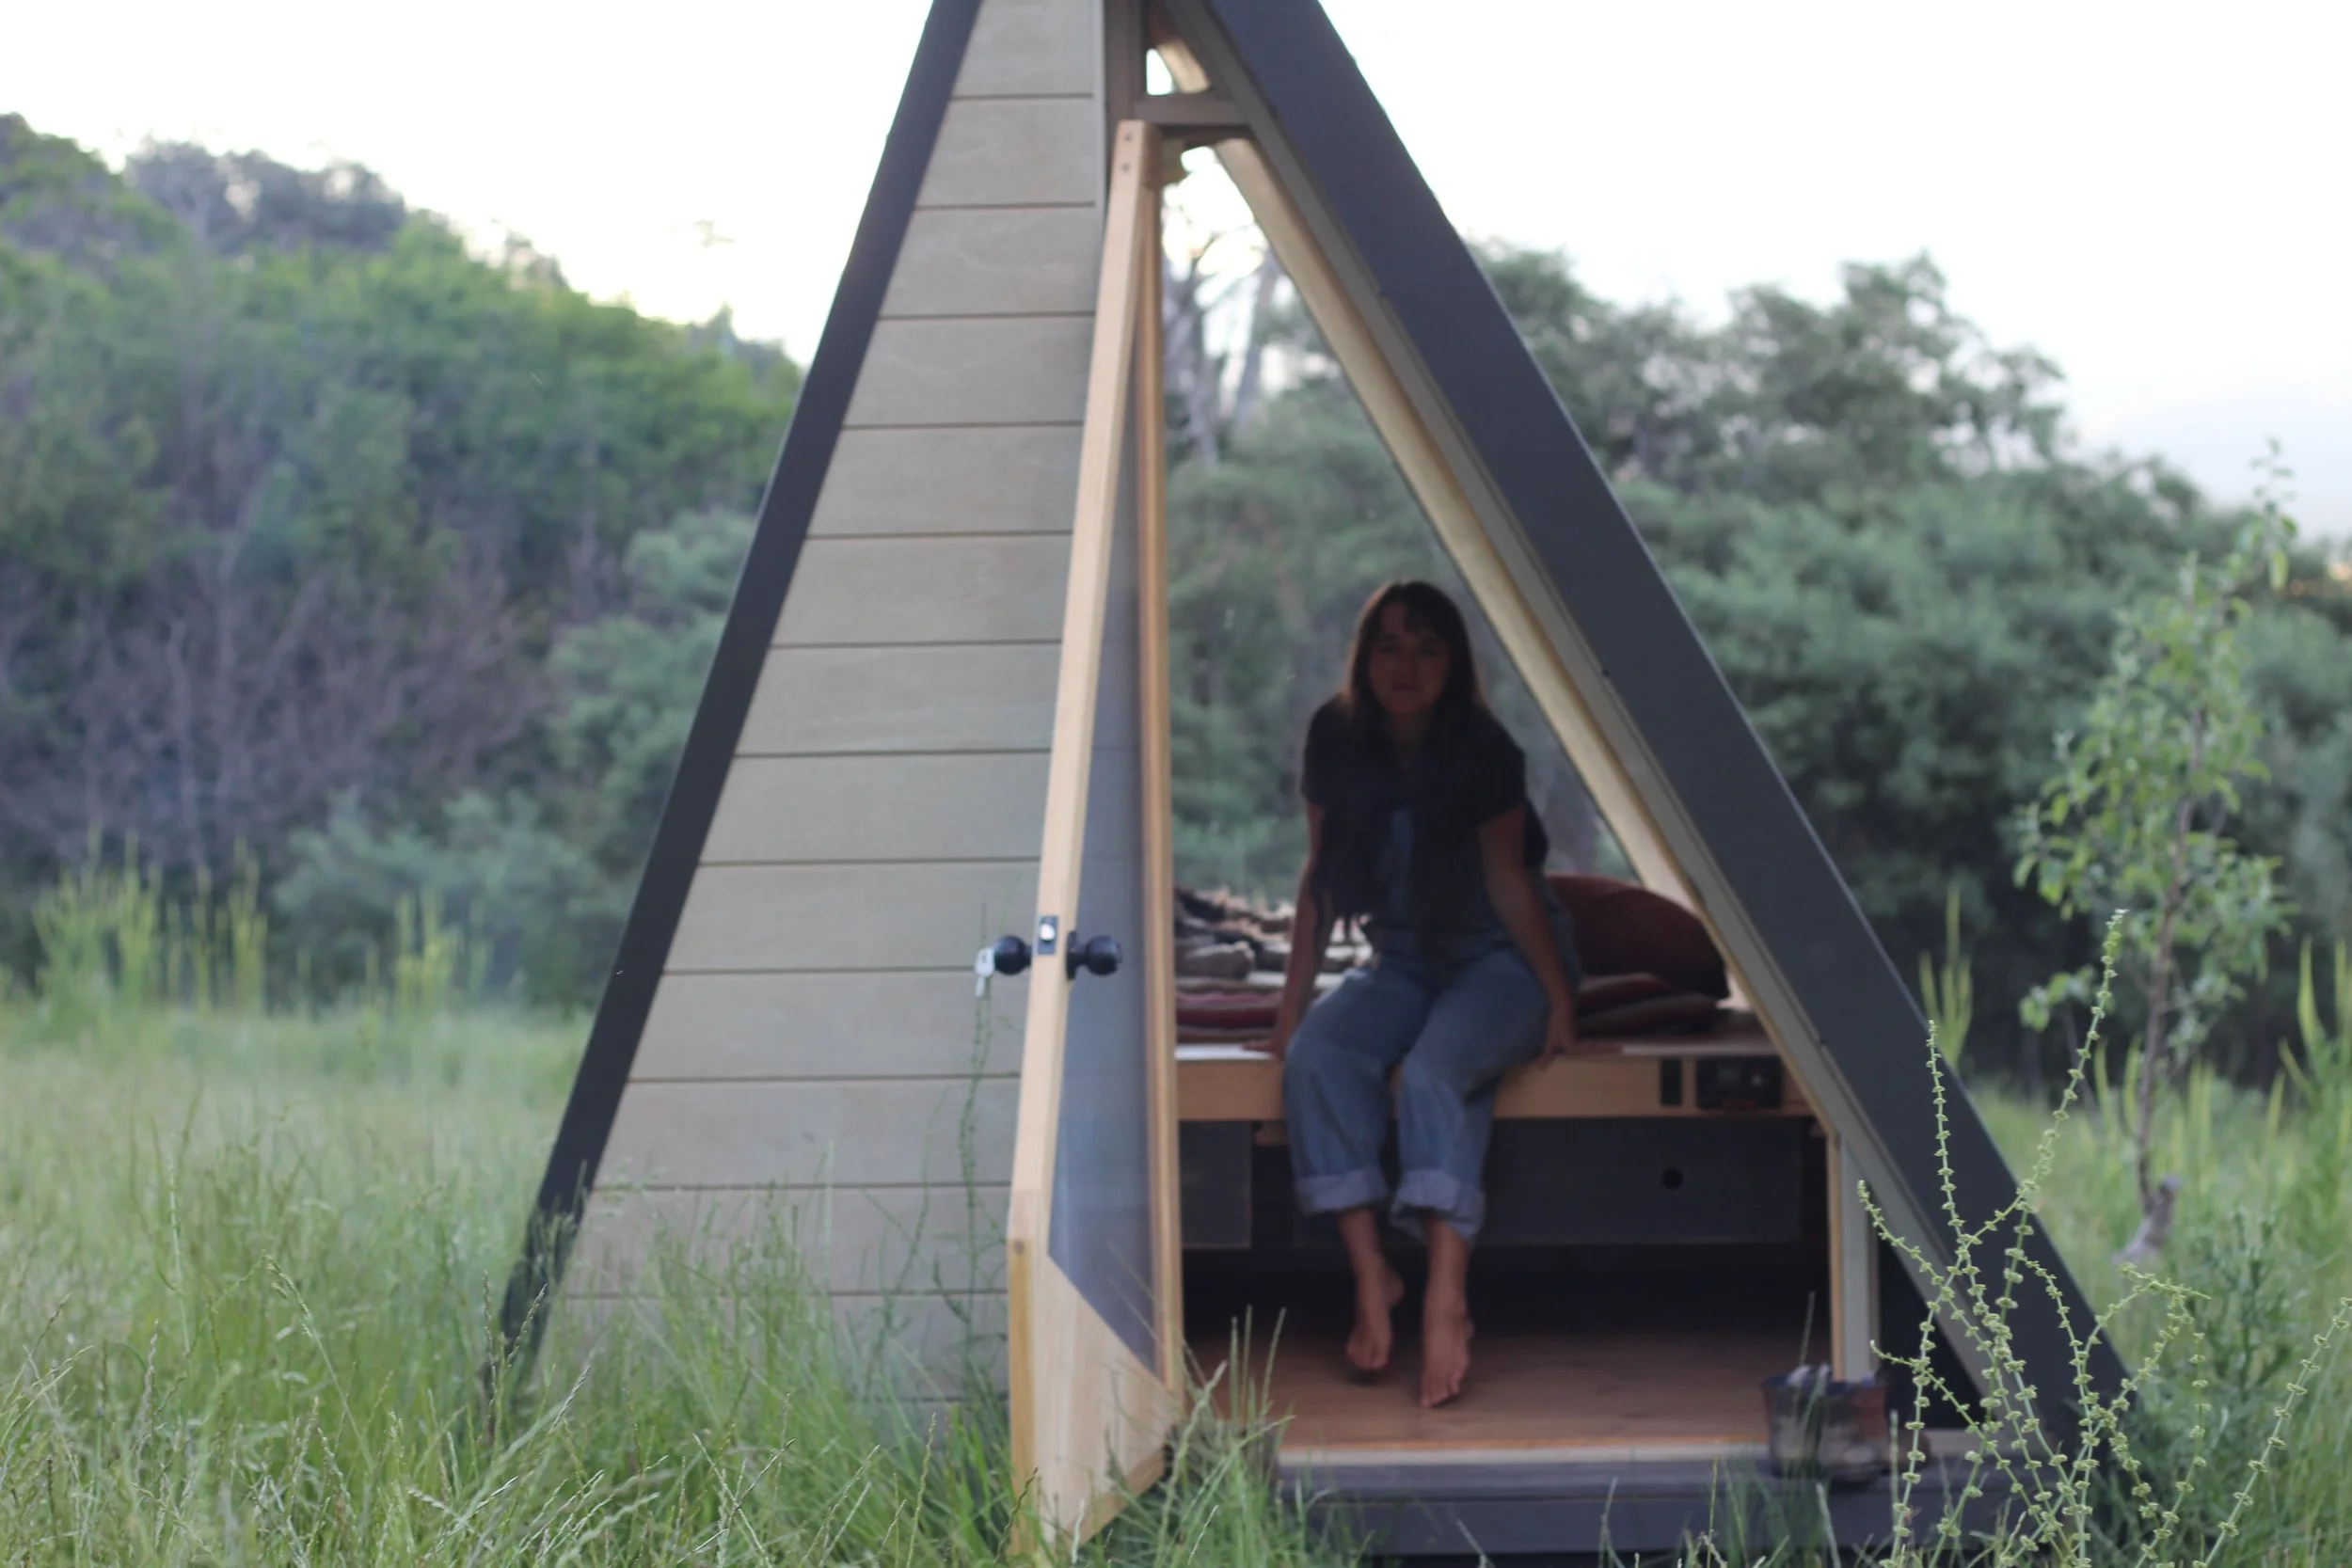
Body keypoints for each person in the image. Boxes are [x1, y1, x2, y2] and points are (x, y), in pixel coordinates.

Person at [1265, 579, 1585, 1410]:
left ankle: (1446, 1297)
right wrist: (1290, 1006)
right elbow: (1319, 879)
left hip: (1501, 958)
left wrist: (1557, 996)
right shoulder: (1336, 737)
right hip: (1404, 960)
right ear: (1365, 656)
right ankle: (1375, 1277)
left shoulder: (1482, 748)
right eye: (1389, 646)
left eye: (1428, 648)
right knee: (1318, 1059)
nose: (1406, 667)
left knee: (1436, 1070)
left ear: (1454, 664)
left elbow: (1510, 886)